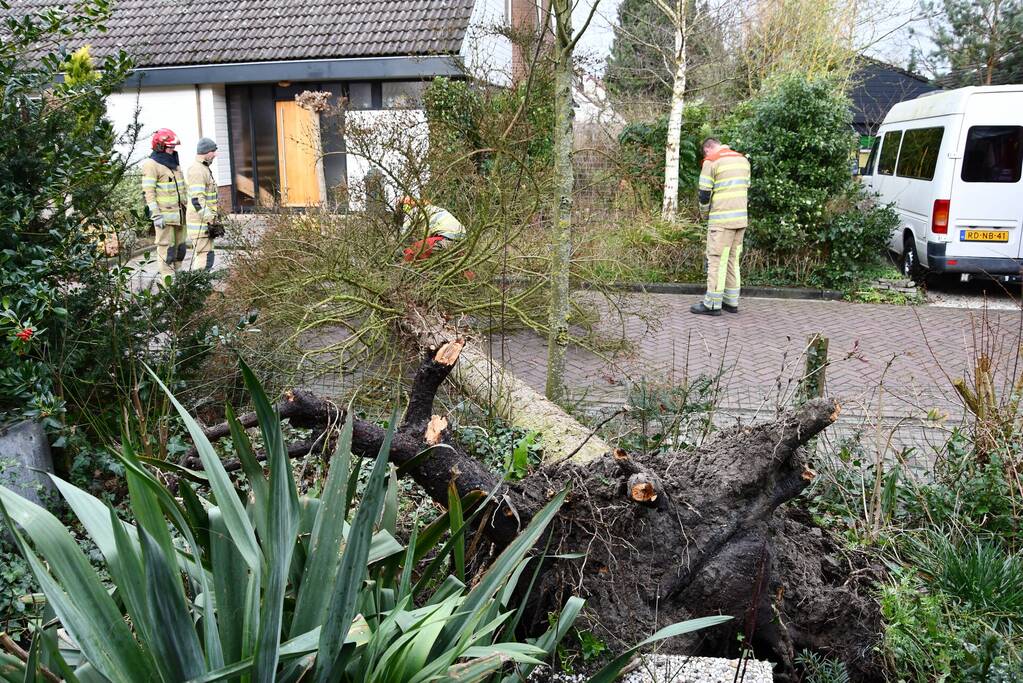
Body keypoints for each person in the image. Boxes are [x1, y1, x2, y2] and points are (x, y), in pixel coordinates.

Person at [691, 137, 751, 316]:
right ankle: (731, 302)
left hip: (721, 222)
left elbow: (704, 194)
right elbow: (745, 187)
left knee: (716, 261)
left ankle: (712, 304)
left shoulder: (711, 161)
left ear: (708, 149)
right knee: (732, 260)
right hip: (740, 220)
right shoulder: (743, 160)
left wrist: (704, 215)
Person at [141, 129, 188, 277]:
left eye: (174, 147)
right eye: (170, 147)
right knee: (166, 251)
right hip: (164, 218)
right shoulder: (151, 164)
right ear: (159, 146)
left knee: (180, 249)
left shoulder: (174, 163)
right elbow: (148, 192)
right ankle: (167, 284)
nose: (173, 150)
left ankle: (180, 280)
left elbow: (182, 189)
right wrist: (156, 215)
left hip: (180, 216)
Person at [185, 137, 223, 271]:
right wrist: (211, 219)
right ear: (206, 152)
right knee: (205, 258)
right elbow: (197, 200)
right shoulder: (197, 170)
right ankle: (199, 287)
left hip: (204, 224)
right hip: (200, 225)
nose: (215, 155)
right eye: (213, 151)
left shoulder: (203, 168)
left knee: (206, 256)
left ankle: (200, 287)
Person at [400, 195, 465, 262]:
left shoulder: (414, 211)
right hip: (461, 243)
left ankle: (403, 271)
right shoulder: (434, 209)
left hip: (445, 239)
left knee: (410, 252)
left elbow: (403, 235)